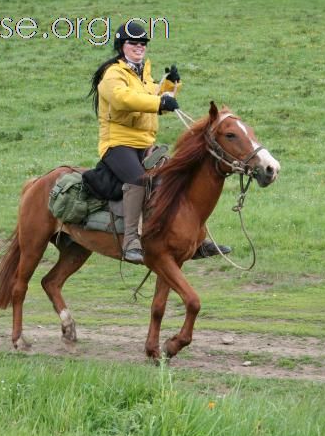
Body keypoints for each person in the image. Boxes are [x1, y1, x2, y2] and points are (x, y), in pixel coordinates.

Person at [88, 21, 230, 264]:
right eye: (133, 43)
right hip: (118, 144)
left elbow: (151, 93)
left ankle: (194, 238)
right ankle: (131, 240)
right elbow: (124, 99)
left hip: (145, 143)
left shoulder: (141, 72)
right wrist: (159, 103)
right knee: (138, 181)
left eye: (143, 43)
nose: (139, 47)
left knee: (178, 177)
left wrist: (170, 86)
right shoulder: (112, 74)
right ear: (122, 45)